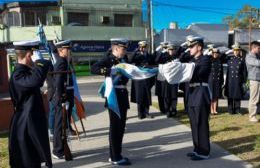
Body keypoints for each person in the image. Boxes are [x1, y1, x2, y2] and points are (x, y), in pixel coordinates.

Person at [9, 40, 52, 168]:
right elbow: (36, 81)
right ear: (29, 55)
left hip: (31, 124)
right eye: (35, 54)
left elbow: (46, 68)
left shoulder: (26, 72)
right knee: (27, 162)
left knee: (34, 160)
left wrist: (40, 63)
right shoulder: (18, 75)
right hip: (25, 127)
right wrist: (39, 62)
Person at [91, 38, 131, 166]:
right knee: (115, 128)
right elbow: (94, 68)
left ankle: (116, 154)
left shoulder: (124, 60)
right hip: (114, 96)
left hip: (123, 95)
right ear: (116, 48)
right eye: (123, 49)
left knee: (121, 127)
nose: (125, 51)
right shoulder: (108, 59)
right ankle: (115, 157)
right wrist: (109, 71)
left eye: (125, 48)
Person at [185, 36, 211, 160]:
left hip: (201, 93)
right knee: (194, 124)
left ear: (199, 47)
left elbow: (198, 73)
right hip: (191, 93)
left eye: (191, 46)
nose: (189, 49)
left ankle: (204, 152)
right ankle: (197, 149)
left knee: (201, 123)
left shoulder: (205, 59)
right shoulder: (190, 60)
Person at [52, 40, 75, 159]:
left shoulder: (65, 62)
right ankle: (58, 150)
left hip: (65, 96)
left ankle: (60, 148)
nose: (70, 51)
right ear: (61, 50)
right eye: (68, 49)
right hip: (62, 98)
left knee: (63, 125)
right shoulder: (61, 62)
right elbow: (58, 82)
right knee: (59, 125)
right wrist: (62, 98)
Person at [130, 41, 154, 119]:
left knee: (147, 95)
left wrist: (149, 65)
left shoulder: (149, 55)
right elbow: (130, 61)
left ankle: (146, 112)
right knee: (139, 95)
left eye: (145, 47)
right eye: (142, 47)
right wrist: (135, 51)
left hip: (147, 77)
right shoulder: (136, 55)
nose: (143, 49)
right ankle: (140, 113)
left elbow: (154, 63)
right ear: (139, 47)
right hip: (138, 78)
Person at [224, 43, 247, 115]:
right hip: (230, 80)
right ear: (233, 51)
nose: (236, 52)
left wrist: (244, 81)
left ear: (239, 51)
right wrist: (227, 52)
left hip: (238, 81)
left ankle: (237, 110)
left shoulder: (242, 60)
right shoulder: (229, 58)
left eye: (237, 50)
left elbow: (244, 71)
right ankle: (230, 110)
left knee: (237, 96)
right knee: (230, 96)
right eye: (234, 50)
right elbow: (221, 58)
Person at [162, 43, 179, 117]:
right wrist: (163, 51)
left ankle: (174, 110)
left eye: (173, 49)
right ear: (168, 50)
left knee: (174, 96)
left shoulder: (177, 57)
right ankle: (167, 110)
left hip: (174, 80)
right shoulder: (164, 57)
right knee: (167, 96)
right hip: (167, 80)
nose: (171, 51)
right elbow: (157, 59)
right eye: (170, 49)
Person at [246, 41, 260, 122]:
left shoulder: (257, 56)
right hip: (254, 80)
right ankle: (252, 116)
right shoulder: (249, 56)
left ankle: (254, 114)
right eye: (258, 48)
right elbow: (257, 63)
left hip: (258, 80)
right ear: (253, 48)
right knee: (254, 99)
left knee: (257, 98)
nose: (259, 49)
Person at [154, 42, 169, 114]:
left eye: (166, 47)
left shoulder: (168, 53)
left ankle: (166, 109)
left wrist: (166, 51)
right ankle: (162, 108)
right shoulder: (159, 53)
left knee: (166, 93)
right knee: (160, 93)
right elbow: (156, 60)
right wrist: (160, 51)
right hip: (160, 74)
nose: (165, 48)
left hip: (166, 74)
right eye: (164, 47)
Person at [208, 48, 224, 115]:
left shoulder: (219, 61)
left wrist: (222, 80)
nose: (215, 54)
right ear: (212, 54)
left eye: (216, 53)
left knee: (216, 96)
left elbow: (221, 72)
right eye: (214, 53)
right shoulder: (210, 60)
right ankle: (211, 109)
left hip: (217, 81)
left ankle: (215, 109)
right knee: (211, 96)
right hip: (211, 80)